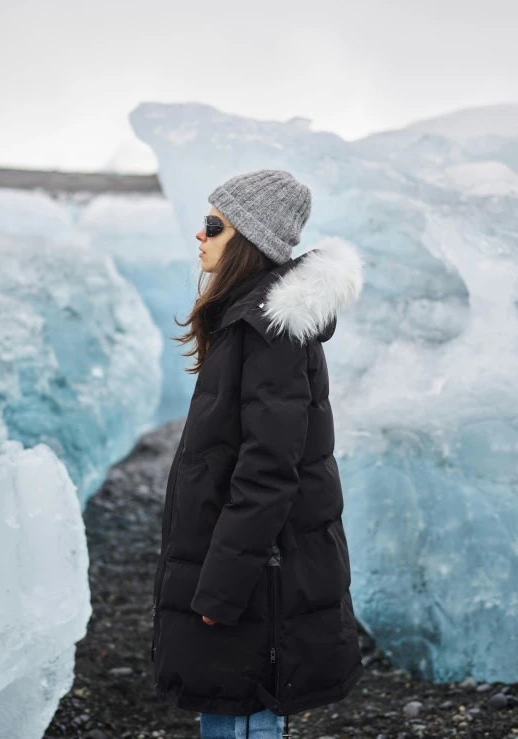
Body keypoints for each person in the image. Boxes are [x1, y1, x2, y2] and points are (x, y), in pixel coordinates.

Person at [151, 169, 365, 739]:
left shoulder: (269, 335)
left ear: (248, 239)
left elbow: (269, 474)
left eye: (214, 225)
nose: (200, 236)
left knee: (240, 713)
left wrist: (220, 587)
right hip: (248, 573)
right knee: (230, 708)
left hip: (254, 584)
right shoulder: (249, 323)